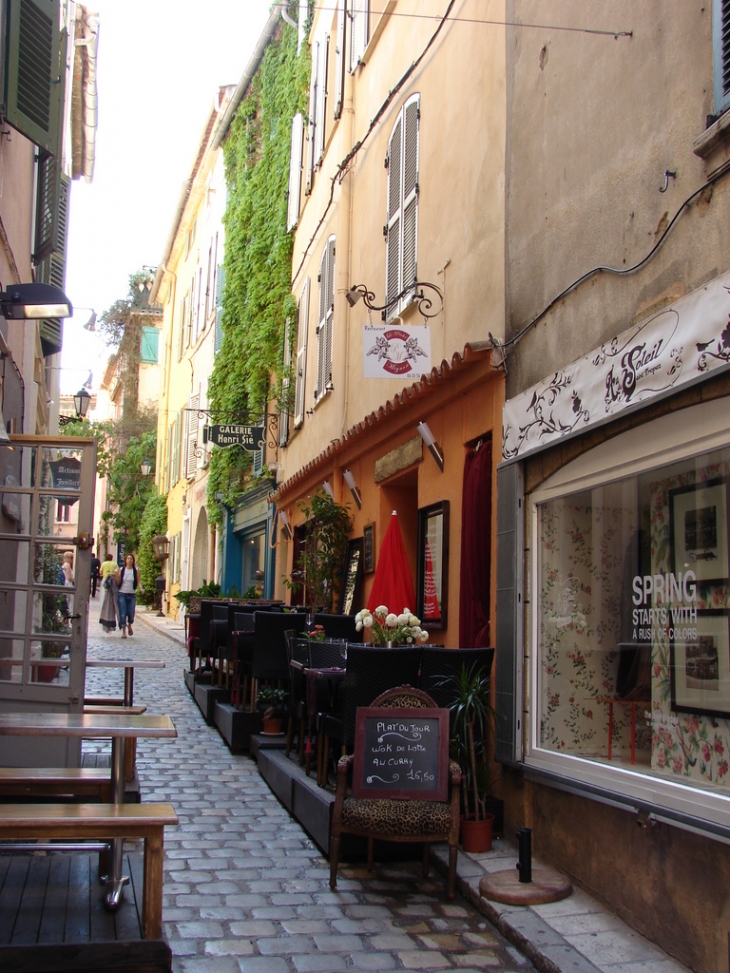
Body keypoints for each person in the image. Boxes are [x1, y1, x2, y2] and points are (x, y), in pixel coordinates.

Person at [115, 553, 144, 638]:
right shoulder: (121, 569)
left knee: (131, 613)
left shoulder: (135, 570)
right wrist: (117, 574)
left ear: (133, 560)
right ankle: (124, 632)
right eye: (128, 558)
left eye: (131, 558)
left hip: (132, 595)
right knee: (123, 613)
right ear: (125, 560)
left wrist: (141, 588)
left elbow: (138, 581)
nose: (129, 560)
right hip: (122, 594)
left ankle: (129, 625)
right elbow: (118, 582)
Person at [99, 553, 119, 633]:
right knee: (112, 600)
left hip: (106, 581)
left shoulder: (104, 563)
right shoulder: (114, 563)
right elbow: (117, 572)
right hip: (113, 582)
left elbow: (100, 572)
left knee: (104, 597)